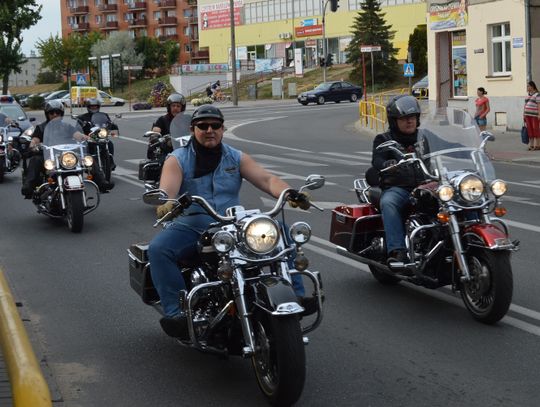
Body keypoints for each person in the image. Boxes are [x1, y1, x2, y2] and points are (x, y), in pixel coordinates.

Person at [147, 104, 313, 338]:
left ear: (222, 129)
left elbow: (266, 179)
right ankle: (177, 313)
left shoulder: (235, 156)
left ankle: (295, 294)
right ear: (193, 130)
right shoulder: (178, 159)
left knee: (281, 231)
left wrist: (290, 193)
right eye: (203, 126)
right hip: (192, 224)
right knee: (158, 249)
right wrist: (167, 202)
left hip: (232, 223)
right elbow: (168, 189)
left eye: (215, 125)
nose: (209, 130)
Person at [371, 95, 425, 270]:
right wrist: (386, 164)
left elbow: (447, 145)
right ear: (394, 121)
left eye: (412, 117)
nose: (409, 121)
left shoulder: (425, 137)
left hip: (427, 186)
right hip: (400, 188)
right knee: (389, 202)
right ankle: (397, 251)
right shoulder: (384, 139)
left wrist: (468, 150)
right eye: (404, 118)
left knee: (457, 198)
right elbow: (377, 160)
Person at [21, 101, 91, 198]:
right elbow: (35, 140)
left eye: (57, 112)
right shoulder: (41, 127)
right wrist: (33, 144)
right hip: (49, 155)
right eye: (52, 112)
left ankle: (101, 182)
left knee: (88, 159)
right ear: (47, 114)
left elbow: (77, 135)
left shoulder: (67, 125)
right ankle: (28, 185)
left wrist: (86, 137)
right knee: (35, 159)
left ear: (61, 114)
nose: (55, 115)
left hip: (66, 155)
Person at [76, 98, 118, 174]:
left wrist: (113, 125)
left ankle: (111, 160)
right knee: (84, 147)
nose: (94, 107)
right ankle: (86, 163)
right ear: (88, 107)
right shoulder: (82, 117)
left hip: (101, 136)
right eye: (92, 106)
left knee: (110, 143)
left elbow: (108, 122)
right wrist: (82, 125)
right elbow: (78, 127)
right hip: (89, 137)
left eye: (95, 106)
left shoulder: (103, 115)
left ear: (98, 106)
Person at [148, 93, 187, 159]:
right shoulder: (162, 120)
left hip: (184, 150)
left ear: (182, 108)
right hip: (167, 151)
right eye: (173, 106)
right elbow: (156, 130)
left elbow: (193, 130)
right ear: (169, 107)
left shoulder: (185, 120)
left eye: (178, 106)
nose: (175, 108)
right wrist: (155, 135)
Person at [524, 81, 540, 151]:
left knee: (535, 129)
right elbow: (525, 105)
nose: (527, 87)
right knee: (529, 130)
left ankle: (537, 145)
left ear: (532, 86)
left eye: (528, 86)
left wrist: (539, 114)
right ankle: (531, 145)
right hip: (527, 115)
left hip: (534, 115)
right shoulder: (528, 95)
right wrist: (523, 114)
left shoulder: (537, 94)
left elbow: (539, 105)